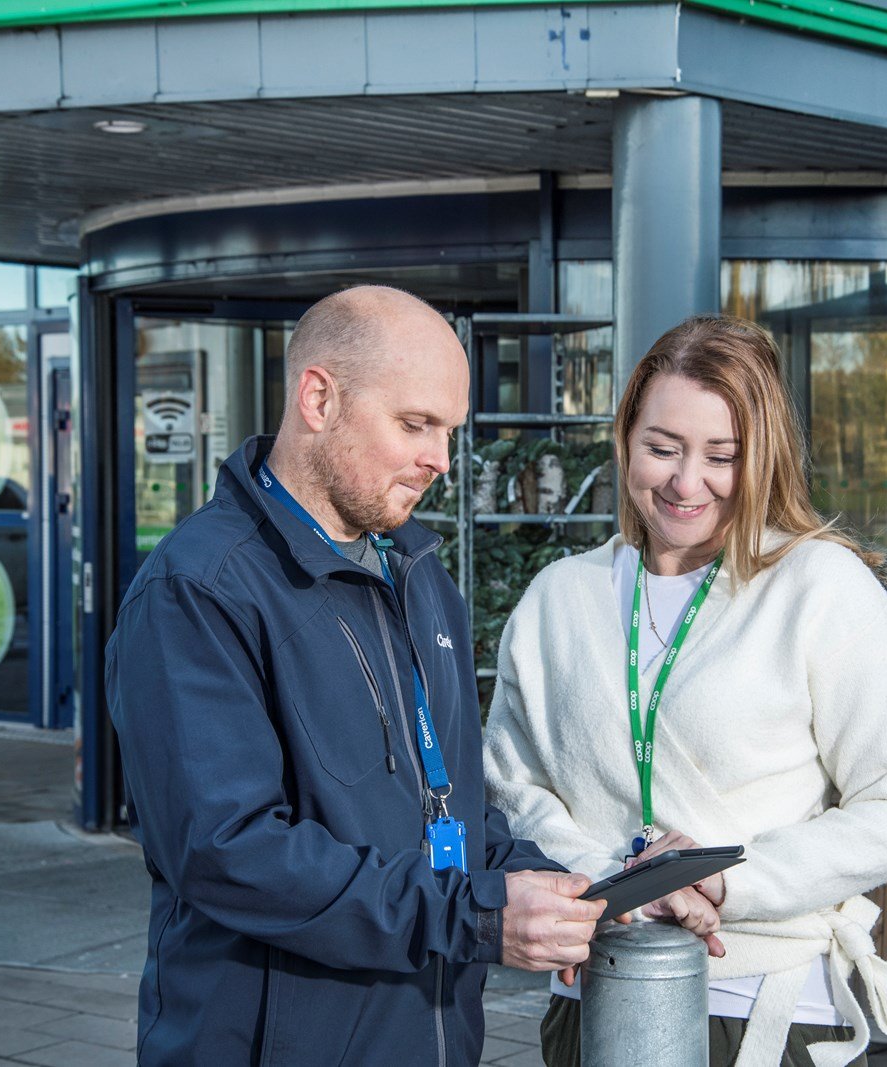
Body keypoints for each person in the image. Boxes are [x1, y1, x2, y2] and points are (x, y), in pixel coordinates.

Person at [105, 285, 606, 1066]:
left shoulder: (418, 571)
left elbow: (452, 808)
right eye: (415, 424)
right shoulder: (197, 589)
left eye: (447, 431)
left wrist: (575, 889)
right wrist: (472, 916)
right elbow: (230, 852)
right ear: (318, 398)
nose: (440, 459)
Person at [483, 315, 887, 1067]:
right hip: (594, 998)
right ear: (626, 435)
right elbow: (508, 788)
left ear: (760, 457)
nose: (684, 481)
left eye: (720, 456)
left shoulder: (819, 587)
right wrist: (618, 881)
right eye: (662, 447)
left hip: (767, 1007)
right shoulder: (557, 599)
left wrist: (723, 879)